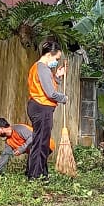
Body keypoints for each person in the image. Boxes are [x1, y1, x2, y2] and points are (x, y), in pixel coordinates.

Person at [24, 41, 67, 180]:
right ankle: (35, 176)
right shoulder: (42, 68)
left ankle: (41, 173)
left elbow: (46, 86)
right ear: (49, 54)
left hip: (38, 106)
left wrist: (57, 76)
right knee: (41, 142)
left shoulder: (39, 68)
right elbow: (50, 93)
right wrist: (64, 98)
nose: (56, 62)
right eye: (56, 59)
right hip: (42, 107)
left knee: (42, 141)